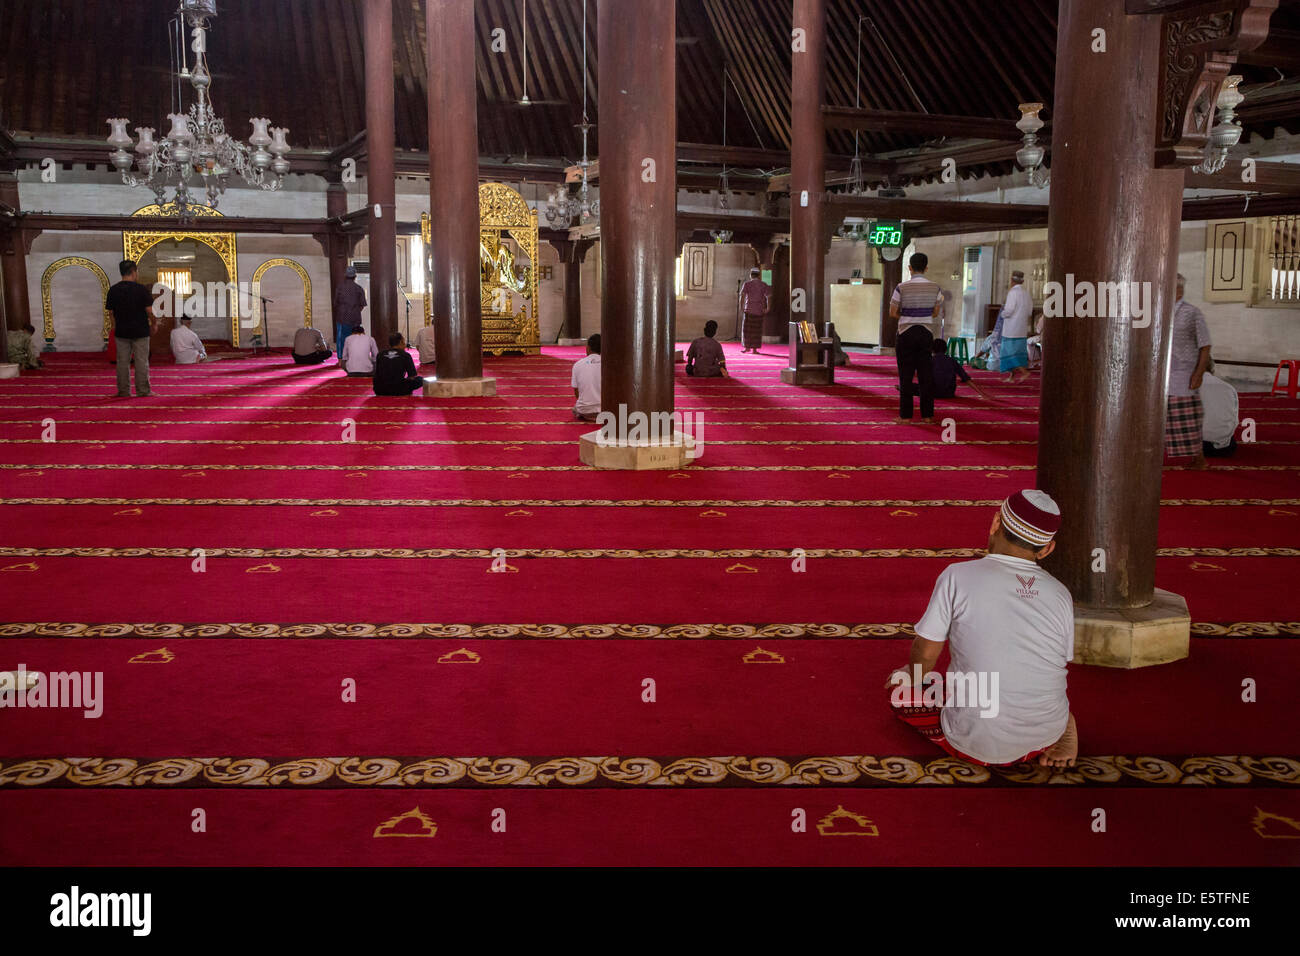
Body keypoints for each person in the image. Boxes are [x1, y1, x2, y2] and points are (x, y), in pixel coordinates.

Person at [886, 490, 1079, 769]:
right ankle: (1062, 723)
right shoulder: (1061, 593)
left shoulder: (957, 575)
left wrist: (909, 676)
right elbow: (1058, 660)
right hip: (1046, 734)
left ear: (995, 523)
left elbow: (925, 654)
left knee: (899, 691)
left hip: (972, 744)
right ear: (1047, 549)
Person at [1165, 273, 1213, 470]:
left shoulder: (1192, 313)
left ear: (1179, 290)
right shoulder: (1159, 310)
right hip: (1163, 373)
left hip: (1184, 373)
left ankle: (1199, 460)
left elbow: (1205, 345)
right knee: (1161, 417)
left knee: (1187, 419)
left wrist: (1199, 373)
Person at [889, 252, 942, 424]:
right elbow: (935, 312)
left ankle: (906, 416)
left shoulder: (901, 287)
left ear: (910, 268)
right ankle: (928, 415)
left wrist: (908, 316)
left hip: (906, 333)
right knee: (925, 375)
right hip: (926, 332)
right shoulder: (935, 287)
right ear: (926, 268)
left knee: (905, 375)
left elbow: (892, 312)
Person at [105, 259, 157, 397]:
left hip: (122, 331)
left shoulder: (113, 290)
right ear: (134, 272)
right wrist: (155, 324)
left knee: (122, 362)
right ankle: (143, 391)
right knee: (141, 362)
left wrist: (114, 327)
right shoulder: (141, 290)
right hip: (140, 331)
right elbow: (150, 311)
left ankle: (123, 391)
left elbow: (110, 313)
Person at [997, 271, 1033, 383]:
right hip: (1021, 328)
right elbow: (1030, 312)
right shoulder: (1026, 293)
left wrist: (1002, 314)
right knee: (1018, 352)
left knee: (1009, 353)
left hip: (1011, 329)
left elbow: (1009, 310)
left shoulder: (1013, 292)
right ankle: (1012, 377)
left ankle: (1025, 372)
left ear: (1012, 281)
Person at [1200, 363, 1239, 458]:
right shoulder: (1229, 388)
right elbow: (1235, 421)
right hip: (1223, 448)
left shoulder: (1183, 387)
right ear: (1212, 370)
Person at [333, 265, 367, 358]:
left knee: (341, 339)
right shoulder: (359, 288)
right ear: (355, 276)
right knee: (355, 339)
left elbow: (335, 303)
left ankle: (341, 358)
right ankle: (354, 357)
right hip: (355, 318)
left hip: (342, 317)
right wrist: (354, 311)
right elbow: (362, 304)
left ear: (345, 275)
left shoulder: (340, 287)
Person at [738, 267, 771, 353]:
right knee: (756, 330)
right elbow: (768, 297)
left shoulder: (747, 284)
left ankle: (747, 348)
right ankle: (754, 350)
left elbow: (742, 296)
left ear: (751, 275)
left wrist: (741, 307)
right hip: (759, 311)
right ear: (759, 275)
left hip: (748, 309)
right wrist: (768, 307)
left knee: (747, 330)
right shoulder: (763, 284)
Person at [571, 333, 601, 422]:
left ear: (588, 347)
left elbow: (577, 393)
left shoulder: (577, 365)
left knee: (575, 408)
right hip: (606, 411)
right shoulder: (609, 364)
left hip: (584, 411)